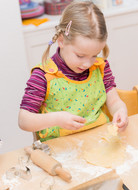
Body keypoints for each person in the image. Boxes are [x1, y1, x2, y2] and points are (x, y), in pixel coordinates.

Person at [18, 1, 128, 142]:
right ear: (61, 40)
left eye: (94, 55)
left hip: (98, 140)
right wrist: (57, 119)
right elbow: (24, 121)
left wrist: (120, 110)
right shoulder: (44, 77)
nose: (87, 63)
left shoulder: (100, 67)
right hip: (60, 149)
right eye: (80, 56)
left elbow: (114, 102)